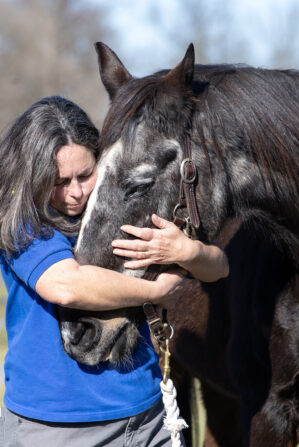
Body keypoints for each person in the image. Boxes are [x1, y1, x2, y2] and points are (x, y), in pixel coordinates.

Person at [0, 96, 229, 447]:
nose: (75, 193)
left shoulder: (120, 211)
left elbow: (219, 268)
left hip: (148, 416)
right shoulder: (25, 223)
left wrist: (188, 250)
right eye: (59, 181)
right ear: (33, 174)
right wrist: (158, 292)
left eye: (85, 175)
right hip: (57, 427)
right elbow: (67, 286)